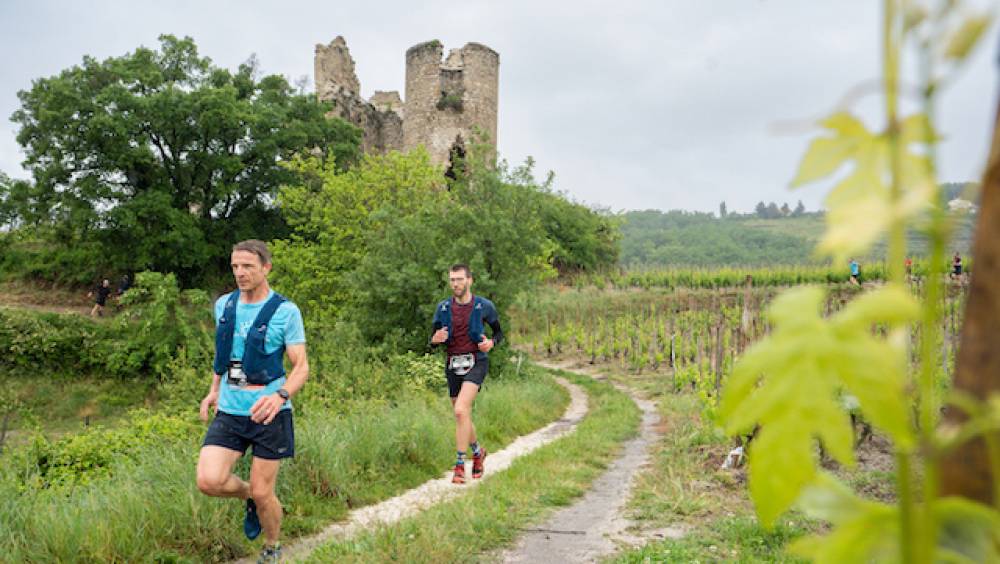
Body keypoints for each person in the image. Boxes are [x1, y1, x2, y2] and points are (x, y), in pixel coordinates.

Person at [196, 240, 308, 563]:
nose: (240, 273)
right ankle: (251, 496)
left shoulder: (285, 311)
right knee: (208, 480)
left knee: (265, 492)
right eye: (235, 267)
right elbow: (223, 353)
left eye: (247, 266)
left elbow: (301, 367)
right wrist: (214, 389)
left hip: (269, 412)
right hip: (230, 409)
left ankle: (272, 547)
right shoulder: (224, 306)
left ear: (266, 268)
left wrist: (280, 395)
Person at [430, 264, 503, 485]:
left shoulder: (484, 305)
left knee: (461, 410)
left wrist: (491, 343)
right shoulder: (442, 308)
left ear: (470, 280)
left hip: (476, 362)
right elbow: (432, 339)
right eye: (452, 280)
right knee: (462, 415)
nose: (456, 284)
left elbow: (499, 333)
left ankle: (460, 465)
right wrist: (435, 340)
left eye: (460, 279)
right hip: (453, 363)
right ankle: (478, 452)